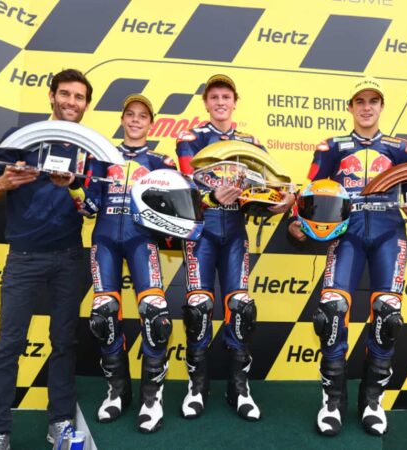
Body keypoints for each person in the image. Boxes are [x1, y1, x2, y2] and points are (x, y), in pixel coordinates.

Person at [288, 77, 407, 437]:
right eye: (360, 101)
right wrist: (297, 221)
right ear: (351, 107)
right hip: (345, 235)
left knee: (387, 317)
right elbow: (309, 192)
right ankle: (332, 400)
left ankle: (372, 400)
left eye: (374, 101)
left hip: (390, 233)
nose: (367, 107)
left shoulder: (401, 148)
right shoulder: (332, 147)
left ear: (382, 106)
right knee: (331, 313)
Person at [0, 69, 93, 450]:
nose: (71, 102)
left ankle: (59, 425)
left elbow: (95, 206)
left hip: (68, 257)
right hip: (24, 257)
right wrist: (4, 183)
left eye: (79, 97)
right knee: (9, 343)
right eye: (65, 94)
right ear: (51, 96)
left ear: (86, 105)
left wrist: (75, 185)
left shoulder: (90, 148)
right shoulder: (20, 139)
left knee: (64, 342)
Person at [175, 74, 293, 421]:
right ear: (206, 103)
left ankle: (239, 388)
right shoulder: (190, 138)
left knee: (240, 308)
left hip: (236, 233)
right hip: (201, 233)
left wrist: (280, 202)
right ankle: (197, 387)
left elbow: (272, 187)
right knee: (198, 309)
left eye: (226, 96)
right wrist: (210, 196)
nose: (220, 102)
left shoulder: (250, 142)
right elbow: (185, 186)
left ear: (234, 101)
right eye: (214, 97)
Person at [67, 94, 174, 433]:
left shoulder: (161, 161)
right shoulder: (102, 157)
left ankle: (152, 397)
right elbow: (89, 208)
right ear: (123, 118)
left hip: (143, 242)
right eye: (130, 114)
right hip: (105, 242)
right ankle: (117, 391)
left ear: (151, 122)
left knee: (156, 317)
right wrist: (73, 189)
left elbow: (175, 212)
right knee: (102, 316)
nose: (136, 120)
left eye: (143, 115)